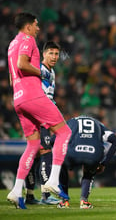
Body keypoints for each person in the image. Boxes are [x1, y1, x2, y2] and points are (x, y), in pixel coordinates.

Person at [7, 12, 71, 209]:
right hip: (32, 95)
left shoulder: (12, 44)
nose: (38, 28)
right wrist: (41, 72)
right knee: (64, 132)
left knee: (33, 145)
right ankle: (52, 180)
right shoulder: (28, 40)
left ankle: (17, 190)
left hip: (18, 98)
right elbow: (22, 64)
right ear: (27, 26)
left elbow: (12, 76)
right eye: (36, 24)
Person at [58, 115, 116, 209]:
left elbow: (53, 139)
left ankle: (64, 201)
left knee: (62, 166)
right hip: (93, 153)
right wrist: (104, 163)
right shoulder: (98, 124)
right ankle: (84, 201)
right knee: (89, 172)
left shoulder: (70, 122)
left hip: (73, 153)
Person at [38, 41, 68, 205]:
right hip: (39, 115)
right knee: (45, 152)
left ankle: (29, 194)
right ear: (44, 54)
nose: (54, 57)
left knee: (37, 154)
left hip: (47, 115)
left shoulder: (53, 72)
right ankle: (45, 195)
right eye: (51, 53)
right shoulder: (38, 69)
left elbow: (50, 96)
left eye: (57, 54)